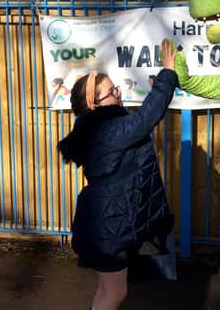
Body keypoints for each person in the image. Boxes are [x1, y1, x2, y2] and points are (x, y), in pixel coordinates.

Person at [57, 39, 178, 310]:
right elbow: (147, 117)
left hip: (107, 219)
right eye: (112, 91)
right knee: (115, 294)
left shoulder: (96, 128)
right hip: (110, 223)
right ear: (95, 103)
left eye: (116, 89)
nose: (119, 94)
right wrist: (167, 73)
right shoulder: (108, 129)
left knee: (105, 290)